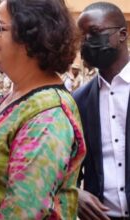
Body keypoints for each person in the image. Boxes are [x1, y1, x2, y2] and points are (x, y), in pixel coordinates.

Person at [0, 0, 86, 219]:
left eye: (0, 27)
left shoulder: (48, 116)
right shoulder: (17, 96)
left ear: (31, 37)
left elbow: (23, 211)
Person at [73, 2, 130, 220]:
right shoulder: (79, 100)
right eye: (82, 36)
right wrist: (75, 193)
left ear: (122, 34)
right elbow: (68, 168)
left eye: (94, 33)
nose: (87, 42)